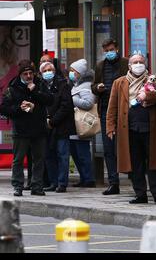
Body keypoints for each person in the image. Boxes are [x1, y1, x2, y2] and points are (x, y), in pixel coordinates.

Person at [106, 54, 156, 204]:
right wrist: (110, 126)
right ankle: (140, 194)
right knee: (135, 163)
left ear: (146, 64)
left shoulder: (154, 80)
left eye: (141, 62)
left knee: (154, 162)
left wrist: (147, 95)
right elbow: (112, 106)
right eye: (135, 62)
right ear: (129, 66)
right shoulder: (119, 83)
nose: (138, 64)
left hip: (150, 128)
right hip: (129, 130)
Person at [0, 59, 53, 196]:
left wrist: (35, 91)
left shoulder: (39, 84)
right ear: (20, 75)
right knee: (18, 159)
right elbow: (4, 108)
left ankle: (36, 186)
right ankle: (18, 186)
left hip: (38, 128)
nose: (29, 76)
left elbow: (50, 100)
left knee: (38, 159)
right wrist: (20, 108)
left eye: (31, 73)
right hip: (21, 130)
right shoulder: (13, 88)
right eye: (25, 74)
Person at [91, 38, 129, 195]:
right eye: (106, 51)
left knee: (127, 146)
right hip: (106, 110)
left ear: (117, 49)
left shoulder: (126, 64)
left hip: (124, 110)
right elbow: (93, 86)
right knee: (108, 148)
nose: (109, 53)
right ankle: (114, 183)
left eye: (111, 50)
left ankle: (134, 178)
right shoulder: (100, 66)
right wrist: (97, 88)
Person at [40, 62, 76, 193]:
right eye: (45, 70)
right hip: (46, 127)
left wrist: (53, 121)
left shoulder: (63, 85)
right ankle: (53, 182)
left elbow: (66, 106)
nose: (48, 72)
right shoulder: (40, 86)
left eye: (50, 69)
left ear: (54, 71)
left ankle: (62, 183)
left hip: (61, 126)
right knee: (49, 155)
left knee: (62, 155)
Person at [69, 59, 96, 188]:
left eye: (73, 71)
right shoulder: (76, 85)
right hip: (74, 126)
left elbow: (88, 103)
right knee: (76, 154)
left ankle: (88, 178)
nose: (71, 73)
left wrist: (72, 99)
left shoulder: (85, 86)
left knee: (82, 154)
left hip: (82, 125)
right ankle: (84, 178)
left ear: (79, 72)